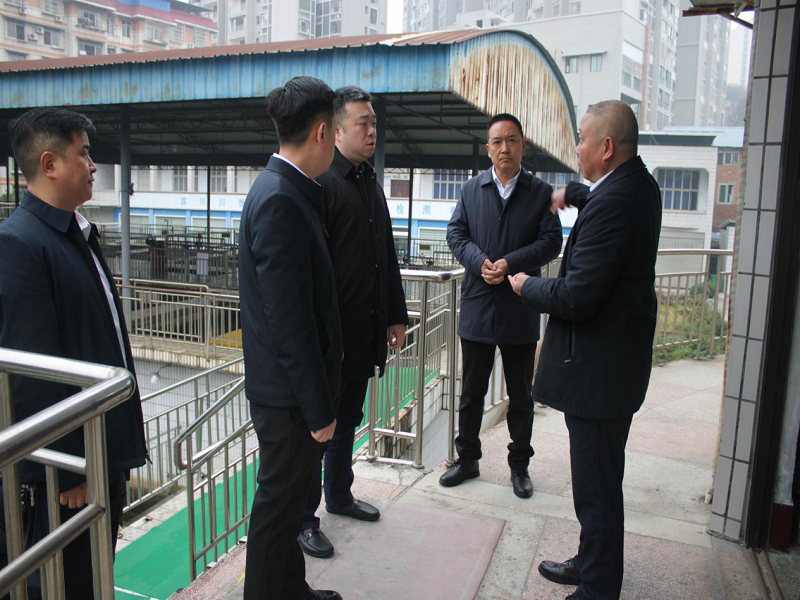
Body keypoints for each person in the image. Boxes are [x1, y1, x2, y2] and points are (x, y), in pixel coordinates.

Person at [510, 100, 662, 600]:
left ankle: (598, 586)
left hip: (600, 372)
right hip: (615, 366)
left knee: (596, 488)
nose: (576, 148)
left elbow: (577, 296)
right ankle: (591, 560)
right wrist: (569, 194)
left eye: (581, 139)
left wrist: (527, 285)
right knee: (599, 480)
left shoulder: (615, 203)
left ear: (607, 146)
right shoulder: (637, 185)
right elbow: (594, 195)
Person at [0, 107, 147, 599]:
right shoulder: (20, 244)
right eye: (83, 153)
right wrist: (68, 468)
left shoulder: (74, 232)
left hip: (101, 451)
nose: (93, 164)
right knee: (69, 581)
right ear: (49, 164)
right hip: (71, 471)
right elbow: (34, 371)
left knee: (95, 570)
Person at [238, 76, 342, 600]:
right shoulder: (281, 199)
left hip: (287, 392)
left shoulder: (283, 189)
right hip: (289, 398)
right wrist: (319, 409)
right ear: (322, 132)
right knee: (277, 512)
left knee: (289, 502)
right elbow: (290, 321)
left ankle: (291, 590)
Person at [297, 86, 408, 559]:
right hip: (333, 337)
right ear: (336, 130)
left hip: (365, 330)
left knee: (348, 420)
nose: (372, 130)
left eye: (374, 122)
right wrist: (327, 336)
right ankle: (304, 519)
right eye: (363, 123)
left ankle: (339, 495)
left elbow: (386, 254)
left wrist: (396, 315)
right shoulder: (323, 184)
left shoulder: (368, 181)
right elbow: (313, 270)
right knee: (318, 431)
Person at [441, 113, 562, 498]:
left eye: (512, 140)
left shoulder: (540, 193)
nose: (504, 148)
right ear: (488, 148)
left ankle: (519, 466)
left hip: (520, 305)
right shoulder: (471, 189)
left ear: (523, 146)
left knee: (521, 395)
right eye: (497, 142)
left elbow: (551, 242)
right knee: (471, 392)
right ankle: (468, 459)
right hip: (478, 304)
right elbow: (455, 234)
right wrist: (480, 262)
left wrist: (511, 263)